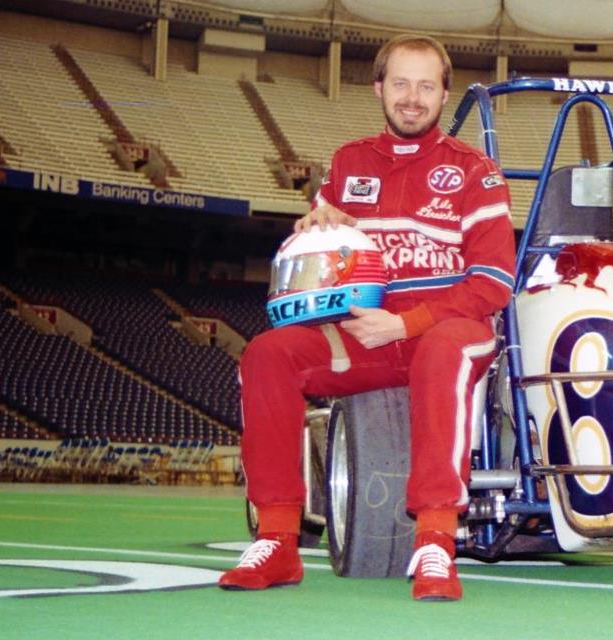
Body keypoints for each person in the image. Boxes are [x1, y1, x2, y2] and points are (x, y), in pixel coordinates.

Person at [218, 34, 515, 602]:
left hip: (448, 329)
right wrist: (315, 225)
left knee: (445, 347)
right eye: (400, 83)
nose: (412, 98)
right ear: (379, 88)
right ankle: (278, 537)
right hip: (362, 332)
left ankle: (434, 541)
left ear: (443, 94)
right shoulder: (349, 162)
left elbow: (493, 284)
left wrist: (405, 325)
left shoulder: (476, 172)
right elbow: (324, 264)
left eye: (426, 86)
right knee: (268, 355)